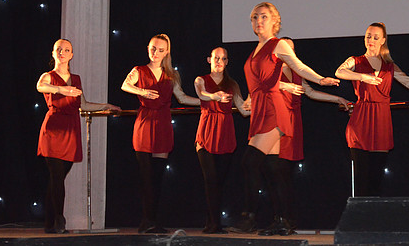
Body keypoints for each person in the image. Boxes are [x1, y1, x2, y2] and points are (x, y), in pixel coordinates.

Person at [232, 2, 339, 236]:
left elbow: (298, 66)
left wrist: (320, 79)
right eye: (255, 17)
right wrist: (249, 98)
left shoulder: (278, 44)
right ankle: (282, 221)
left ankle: (249, 217)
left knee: (250, 162)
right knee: (273, 169)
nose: (258, 21)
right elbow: (256, 82)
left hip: (273, 108)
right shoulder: (256, 49)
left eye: (264, 16)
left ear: (275, 21)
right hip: (260, 108)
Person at [259, 37, 349, 235]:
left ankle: (286, 220)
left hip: (292, 125)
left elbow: (310, 92)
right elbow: (261, 84)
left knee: (285, 175)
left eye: (291, 49)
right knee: (275, 173)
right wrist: (284, 87)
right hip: (276, 123)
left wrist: (337, 98)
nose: (288, 52)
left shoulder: (297, 71)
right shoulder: (271, 69)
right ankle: (280, 219)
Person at [335, 23, 409, 197]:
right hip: (361, 119)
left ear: (383, 40)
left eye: (375, 37)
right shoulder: (355, 60)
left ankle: (373, 212)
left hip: (381, 120)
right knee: (361, 178)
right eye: (368, 36)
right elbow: (340, 72)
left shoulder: (390, 66)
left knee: (375, 178)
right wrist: (362, 77)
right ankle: (360, 213)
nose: (371, 40)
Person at [37, 39, 120, 234]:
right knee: (57, 176)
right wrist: (61, 89)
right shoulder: (48, 76)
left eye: (66, 50)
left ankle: (49, 223)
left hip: (71, 130)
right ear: (53, 53)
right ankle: (59, 220)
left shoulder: (76, 79)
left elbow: (84, 105)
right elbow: (40, 86)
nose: (62, 52)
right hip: (53, 130)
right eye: (59, 49)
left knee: (56, 179)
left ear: (71, 55)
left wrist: (106, 106)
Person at [121, 33, 201, 233]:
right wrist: (142, 92)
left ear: (167, 53)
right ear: (148, 48)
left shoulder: (171, 75)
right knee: (146, 177)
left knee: (157, 178)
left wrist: (208, 101)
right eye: (153, 48)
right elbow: (125, 85)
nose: (155, 52)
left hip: (163, 126)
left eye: (160, 50)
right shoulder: (139, 70)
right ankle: (146, 221)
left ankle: (152, 221)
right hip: (145, 124)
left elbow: (182, 97)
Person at [194, 47, 250, 234]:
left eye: (223, 58)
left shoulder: (232, 84)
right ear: (209, 59)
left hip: (225, 134)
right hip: (206, 133)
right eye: (216, 58)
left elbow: (243, 110)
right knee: (210, 179)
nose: (219, 61)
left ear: (227, 62)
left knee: (218, 182)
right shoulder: (201, 80)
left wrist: (254, 101)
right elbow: (201, 94)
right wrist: (215, 96)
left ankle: (211, 221)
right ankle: (214, 224)